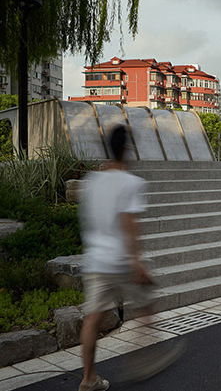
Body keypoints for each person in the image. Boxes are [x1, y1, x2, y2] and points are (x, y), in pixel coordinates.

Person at [78, 125, 155, 391]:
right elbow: (128, 223)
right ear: (126, 149)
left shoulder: (91, 181)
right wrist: (137, 262)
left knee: (92, 319)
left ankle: (89, 378)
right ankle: (140, 361)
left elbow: (87, 220)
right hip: (121, 261)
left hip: (96, 259)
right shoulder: (131, 183)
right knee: (146, 305)